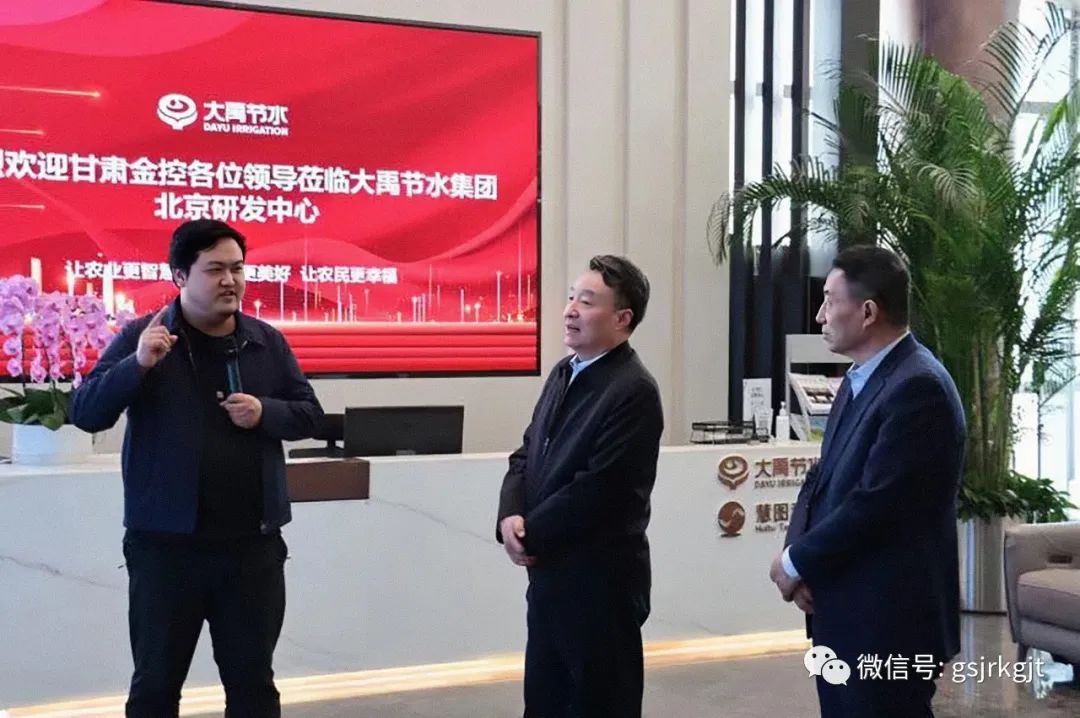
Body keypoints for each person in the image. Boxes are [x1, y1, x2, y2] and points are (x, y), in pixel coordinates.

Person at [70, 219, 323, 718]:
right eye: (215, 270)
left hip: (251, 549)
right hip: (166, 551)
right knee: (155, 687)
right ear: (181, 276)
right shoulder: (144, 337)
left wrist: (265, 412)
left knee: (253, 687)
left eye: (237, 268)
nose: (230, 281)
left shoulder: (265, 342)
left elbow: (310, 415)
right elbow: (86, 412)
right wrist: (138, 365)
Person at [772, 245, 965, 717]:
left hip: (887, 620)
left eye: (829, 300)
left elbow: (878, 505)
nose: (820, 315)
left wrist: (797, 561)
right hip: (845, 610)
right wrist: (799, 558)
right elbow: (821, 478)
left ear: (868, 312)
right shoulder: (861, 380)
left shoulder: (918, 387)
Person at [496, 255, 664, 718]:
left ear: (622, 318)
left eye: (587, 302)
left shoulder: (633, 389)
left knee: (598, 704)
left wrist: (530, 532)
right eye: (571, 297)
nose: (570, 310)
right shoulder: (564, 372)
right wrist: (509, 516)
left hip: (599, 586)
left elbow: (601, 489)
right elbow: (527, 454)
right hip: (550, 579)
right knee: (545, 702)